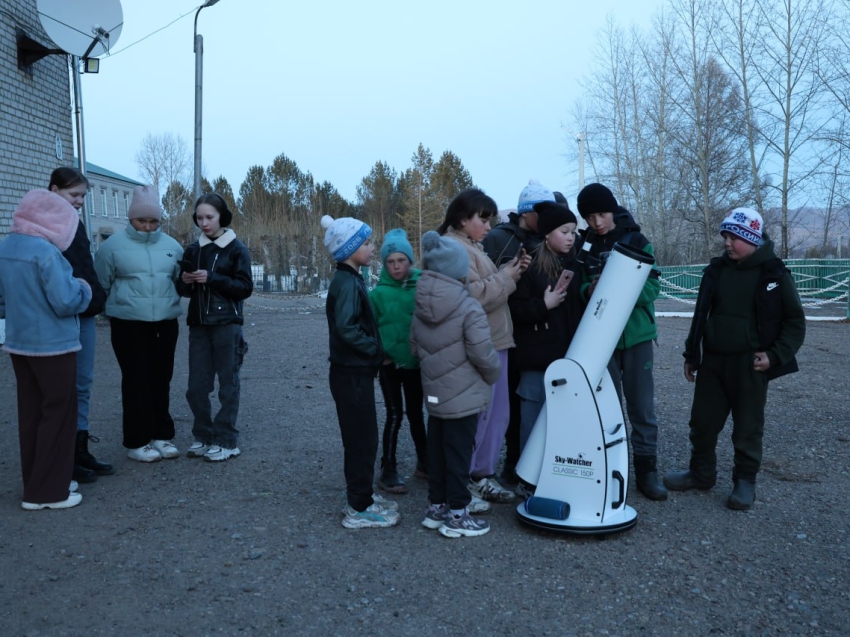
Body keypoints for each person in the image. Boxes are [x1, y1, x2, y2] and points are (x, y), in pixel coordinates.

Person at [664, 209, 805, 510]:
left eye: (735, 238)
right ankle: (701, 474)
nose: (727, 243)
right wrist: (692, 354)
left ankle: (745, 482)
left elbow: (795, 322)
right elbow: (700, 314)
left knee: (747, 427)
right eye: (725, 237)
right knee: (702, 422)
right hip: (714, 362)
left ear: (752, 239)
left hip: (749, 365)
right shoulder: (716, 271)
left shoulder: (774, 273)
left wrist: (774, 356)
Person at [0, 189, 92, 509]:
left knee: (31, 413)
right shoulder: (46, 252)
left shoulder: (6, 246)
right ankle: (49, 493)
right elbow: (66, 301)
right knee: (59, 414)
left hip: (19, 343)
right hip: (53, 345)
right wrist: (84, 288)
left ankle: (38, 483)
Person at [575, 183, 667, 501]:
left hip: (637, 337)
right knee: (608, 410)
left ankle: (647, 472)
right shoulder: (584, 246)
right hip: (602, 341)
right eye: (589, 217)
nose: (597, 222)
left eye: (601, 214)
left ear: (612, 209)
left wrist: (614, 289)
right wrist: (590, 291)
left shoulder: (638, 241)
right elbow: (579, 289)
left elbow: (652, 288)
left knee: (642, 409)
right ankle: (612, 472)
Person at [438, 188, 528, 508]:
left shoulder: (471, 246)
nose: (489, 227)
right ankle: (463, 482)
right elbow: (471, 296)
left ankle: (480, 476)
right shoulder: (453, 249)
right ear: (463, 219)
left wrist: (508, 273)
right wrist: (507, 277)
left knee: (496, 415)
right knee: (479, 416)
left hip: (493, 343)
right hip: (477, 346)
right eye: (483, 219)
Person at [411, 231, 501, 538]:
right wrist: (493, 374)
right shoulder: (468, 307)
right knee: (460, 453)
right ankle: (459, 515)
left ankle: (437, 507)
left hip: (435, 395)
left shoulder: (420, 304)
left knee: (437, 451)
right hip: (464, 397)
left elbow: (414, 347)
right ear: (458, 271)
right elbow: (482, 353)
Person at [94, 185, 183, 463]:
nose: (147, 226)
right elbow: (102, 284)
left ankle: (161, 435)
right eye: (141, 220)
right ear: (131, 218)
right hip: (129, 325)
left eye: (153, 221)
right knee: (136, 381)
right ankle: (137, 440)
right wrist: (116, 310)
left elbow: (179, 282)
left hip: (165, 323)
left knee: (162, 378)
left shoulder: (173, 247)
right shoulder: (111, 247)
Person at [322, 214, 400, 529]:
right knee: (361, 441)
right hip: (350, 374)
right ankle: (358, 508)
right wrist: (376, 350)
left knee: (363, 438)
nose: (371, 247)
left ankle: (363, 495)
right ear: (349, 248)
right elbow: (347, 329)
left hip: (354, 373)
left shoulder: (352, 278)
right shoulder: (345, 282)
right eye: (366, 243)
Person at [482, 180, 556, 486]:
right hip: (503, 332)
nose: (549, 217)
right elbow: (483, 286)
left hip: (535, 335)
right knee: (506, 404)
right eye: (543, 212)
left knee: (533, 402)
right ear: (527, 212)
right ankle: (510, 463)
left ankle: (536, 463)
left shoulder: (549, 239)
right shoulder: (498, 239)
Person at [508, 200, 583, 485]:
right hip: (535, 361)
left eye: (573, 232)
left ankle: (554, 478)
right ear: (548, 234)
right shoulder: (528, 266)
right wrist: (543, 305)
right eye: (564, 231)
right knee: (531, 423)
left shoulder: (575, 265)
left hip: (566, 360)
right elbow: (514, 309)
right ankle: (527, 479)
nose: (570, 237)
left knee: (562, 422)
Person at [48, 167, 113, 484]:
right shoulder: (42, 225)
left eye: (83, 196)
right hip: (59, 315)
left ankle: (80, 448)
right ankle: (63, 457)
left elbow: (83, 266)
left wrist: (94, 298)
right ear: (54, 190)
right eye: (74, 194)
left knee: (83, 383)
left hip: (84, 311)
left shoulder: (77, 223)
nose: (79, 201)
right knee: (64, 387)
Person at [177, 193, 252, 462]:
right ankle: (203, 436)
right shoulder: (192, 250)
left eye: (209, 217)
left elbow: (245, 288)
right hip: (198, 325)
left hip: (227, 325)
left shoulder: (237, 249)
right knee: (196, 387)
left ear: (222, 217)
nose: (204, 223)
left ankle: (226, 440)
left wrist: (212, 278)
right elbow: (183, 290)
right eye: (199, 218)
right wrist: (185, 281)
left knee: (228, 385)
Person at [368, 228, 427, 493]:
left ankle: (425, 462)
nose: (396, 266)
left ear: (410, 260)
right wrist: (380, 355)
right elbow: (369, 329)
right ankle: (388, 469)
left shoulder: (422, 286)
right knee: (394, 414)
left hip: (416, 364)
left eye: (401, 260)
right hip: (390, 365)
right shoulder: (377, 295)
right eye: (390, 261)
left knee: (417, 413)